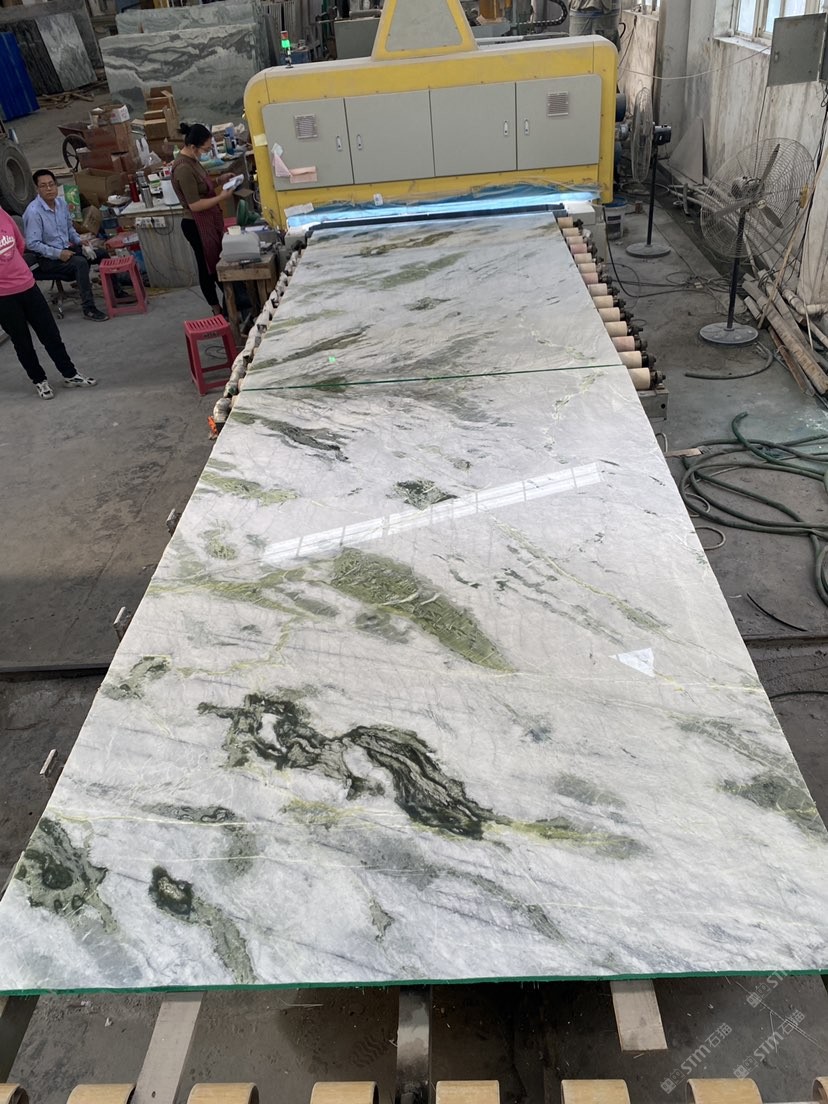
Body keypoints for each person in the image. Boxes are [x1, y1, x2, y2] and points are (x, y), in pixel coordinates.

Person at [0, 206, 97, 398]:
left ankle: (70, 374)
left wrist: (15, 270)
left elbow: (19, 244)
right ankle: (39, 381)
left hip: (27, 285)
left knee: (50, 334)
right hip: (3, 296)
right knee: (22, 342)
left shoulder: (2, 214)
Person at [23, 169, 109, 322]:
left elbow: (69, 229)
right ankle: (89, 309)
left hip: (66, 249)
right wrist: (58, 254)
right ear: (37, 189)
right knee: (80, 263)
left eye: (51, 184)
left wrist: (79, 240)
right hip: (46, 258)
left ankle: (116, 292)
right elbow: (32, 244)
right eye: (43, 186)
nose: (49, 189)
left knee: (101, 253)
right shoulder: (34, 212)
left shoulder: (61, 203)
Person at [171, 123, 236, 315]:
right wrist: (221, 197)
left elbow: (201, 187)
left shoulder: (193, 160)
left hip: (207, 219)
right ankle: (216, 308)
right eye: (206, 149)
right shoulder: (183, 168)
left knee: (216, 261)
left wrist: (219, 180)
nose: (207, 153)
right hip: (195, 224)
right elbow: (195, 204)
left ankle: (230, 305)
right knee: (207, 267)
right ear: (193, 147)